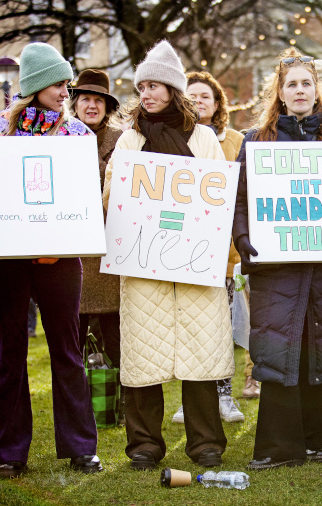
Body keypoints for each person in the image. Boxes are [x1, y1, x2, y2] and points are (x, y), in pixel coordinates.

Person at [0, 42, 102, 478]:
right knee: (11, 348)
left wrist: (58, 233)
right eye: (59, 83)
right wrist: (9, 221)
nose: (66, 91)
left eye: (67, 83)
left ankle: (81, 447)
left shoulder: (78, 136)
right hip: (7, 259)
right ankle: (11, 452)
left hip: (59, 260)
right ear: (36, 85)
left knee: (67, 347)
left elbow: (85, 194)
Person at [232, 48, 322, 470]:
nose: (299, 90)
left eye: (306, 83)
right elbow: (238, 200)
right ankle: (278, 447)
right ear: (280, 92)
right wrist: (243, 236)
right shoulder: (257, 142)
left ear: (317, 92)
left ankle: (314, 441)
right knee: (279, 348)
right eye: (291, 84)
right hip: (278, 268)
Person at [102, 40, 233, 471]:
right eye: (142, 87)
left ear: (173, 90)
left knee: (202, 352)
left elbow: (218, 198)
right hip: (143, 264)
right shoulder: (129, 140)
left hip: (194, 261)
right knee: (143, 354)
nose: (148, 94)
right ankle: (144, 444)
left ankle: (206, 442)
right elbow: (110, 196)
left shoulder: (203, 138)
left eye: (156, 86)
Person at [179, 70, 251, 425]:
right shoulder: (173, 139)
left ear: (217, 102)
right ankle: (190, 399)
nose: (198, 101)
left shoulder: (237, 141)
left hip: (226, 257)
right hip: (185, 253)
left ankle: (224, 396)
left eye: (205, 95)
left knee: (224, 329)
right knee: (191, 329)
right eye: (191, 95)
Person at [69, 68, 124, 421]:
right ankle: (77, 405)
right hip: (73, 248)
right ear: (75, 104)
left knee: (117, 335)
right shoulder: (61, 136)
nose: (92, 105)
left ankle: (117, 406)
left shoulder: (122, 139)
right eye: (86, 98)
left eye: (98, 100)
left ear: (107, 106)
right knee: (72, 334)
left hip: (110, 248)